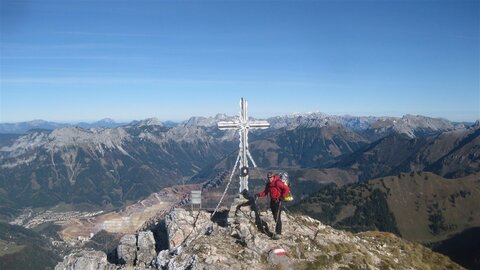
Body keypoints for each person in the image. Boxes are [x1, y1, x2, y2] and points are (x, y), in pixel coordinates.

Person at [256, 172, 290, 239]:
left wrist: (282, 197)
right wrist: (258, 195)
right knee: (275, 216)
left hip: (278, 201)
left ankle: (278, 233)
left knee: (277, 217)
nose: (270, 179)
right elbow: (265, 192)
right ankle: (277, 232)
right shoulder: (268, 184)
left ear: (273, 177)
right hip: (273, 201)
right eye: (268, 178)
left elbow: (286, 189)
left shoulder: (277, 183)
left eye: (271, 177)